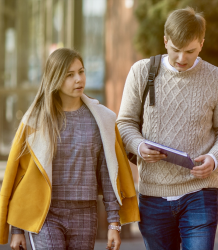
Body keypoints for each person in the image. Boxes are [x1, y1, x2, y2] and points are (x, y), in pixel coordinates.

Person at [117, 7, 218, 250]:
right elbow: (125, 123)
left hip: (200, 192)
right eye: (175, 50)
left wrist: (215, 159)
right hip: (153, 194)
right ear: (165, 41)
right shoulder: (142, 72)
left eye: (190, 51)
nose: (182, 58)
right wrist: (140, 146)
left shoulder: (217, 79)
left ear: (202, 44)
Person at [0, 48, 140, 250]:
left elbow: (109, 173)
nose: (78, 79)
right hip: (45, 213)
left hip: (85, 214)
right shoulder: (35, 121)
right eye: (69, 75)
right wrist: (17, 229)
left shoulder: (101, 119)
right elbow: (21, 177)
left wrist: (113, 223)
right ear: (55, 78)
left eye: (81, 72)